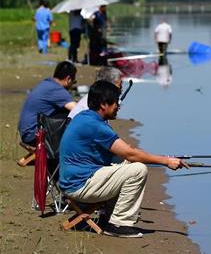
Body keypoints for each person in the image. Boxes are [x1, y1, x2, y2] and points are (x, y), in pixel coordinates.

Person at [59, 81, 188, 238]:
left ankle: (109, 216)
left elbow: (127, 152)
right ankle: (118, 224)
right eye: (115, 102)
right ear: (103, 105)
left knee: (129, 163)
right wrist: (166, 161)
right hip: (78, 185)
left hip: (74, 180)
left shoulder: (86, 117)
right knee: (138, 170)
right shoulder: (95, 125)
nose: (118, 106)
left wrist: (164, 159)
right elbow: (130, 153)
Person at [18, 61, 77, 146]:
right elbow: (78, 110)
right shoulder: (57, 89)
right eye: (73, 82)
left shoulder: (48, 83)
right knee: (73, 119)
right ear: (68, 79)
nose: (72, 85)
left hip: (27, 133)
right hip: (33, 136)